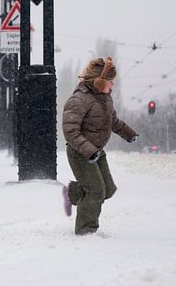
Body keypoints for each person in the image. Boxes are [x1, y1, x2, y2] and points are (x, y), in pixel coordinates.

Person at [62, 57, 138, 235]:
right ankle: (86, 231)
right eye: (110, 81)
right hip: (80, 153)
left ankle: (73, 192)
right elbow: (70, 131)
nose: (112, 85)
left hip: (96, 152)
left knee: (108, 189)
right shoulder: (79, 100)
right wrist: (88, 151)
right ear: (100, 80)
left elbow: (113, 121)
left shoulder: (105, 99)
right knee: (96, 191)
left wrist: (129, 134)